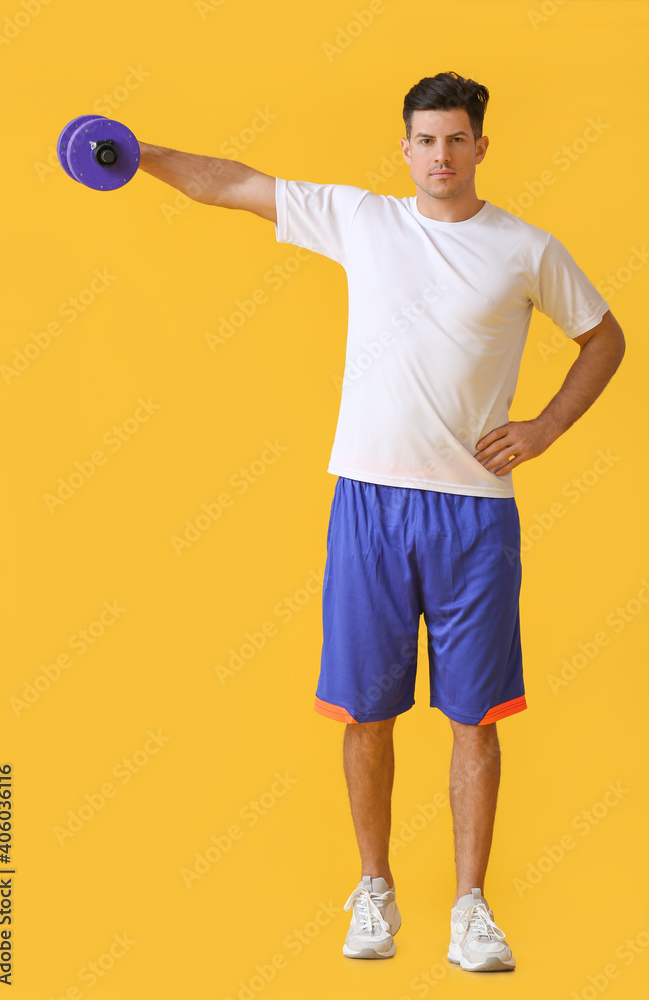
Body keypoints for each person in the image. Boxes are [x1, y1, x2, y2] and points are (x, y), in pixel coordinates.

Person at [136, 71, 625, 972]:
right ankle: (375, 889)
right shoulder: (362, 220)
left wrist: (546, 424)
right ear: (404, 149)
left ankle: (470, 906)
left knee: (474, 718)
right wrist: (142, 156)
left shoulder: (524, 249)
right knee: (366, 712)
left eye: (455, 140)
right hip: (367, 500)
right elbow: (236, 183)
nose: (439, 156)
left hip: (474, 514)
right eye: (424, 140)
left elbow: (604, 337)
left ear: (481, 147)